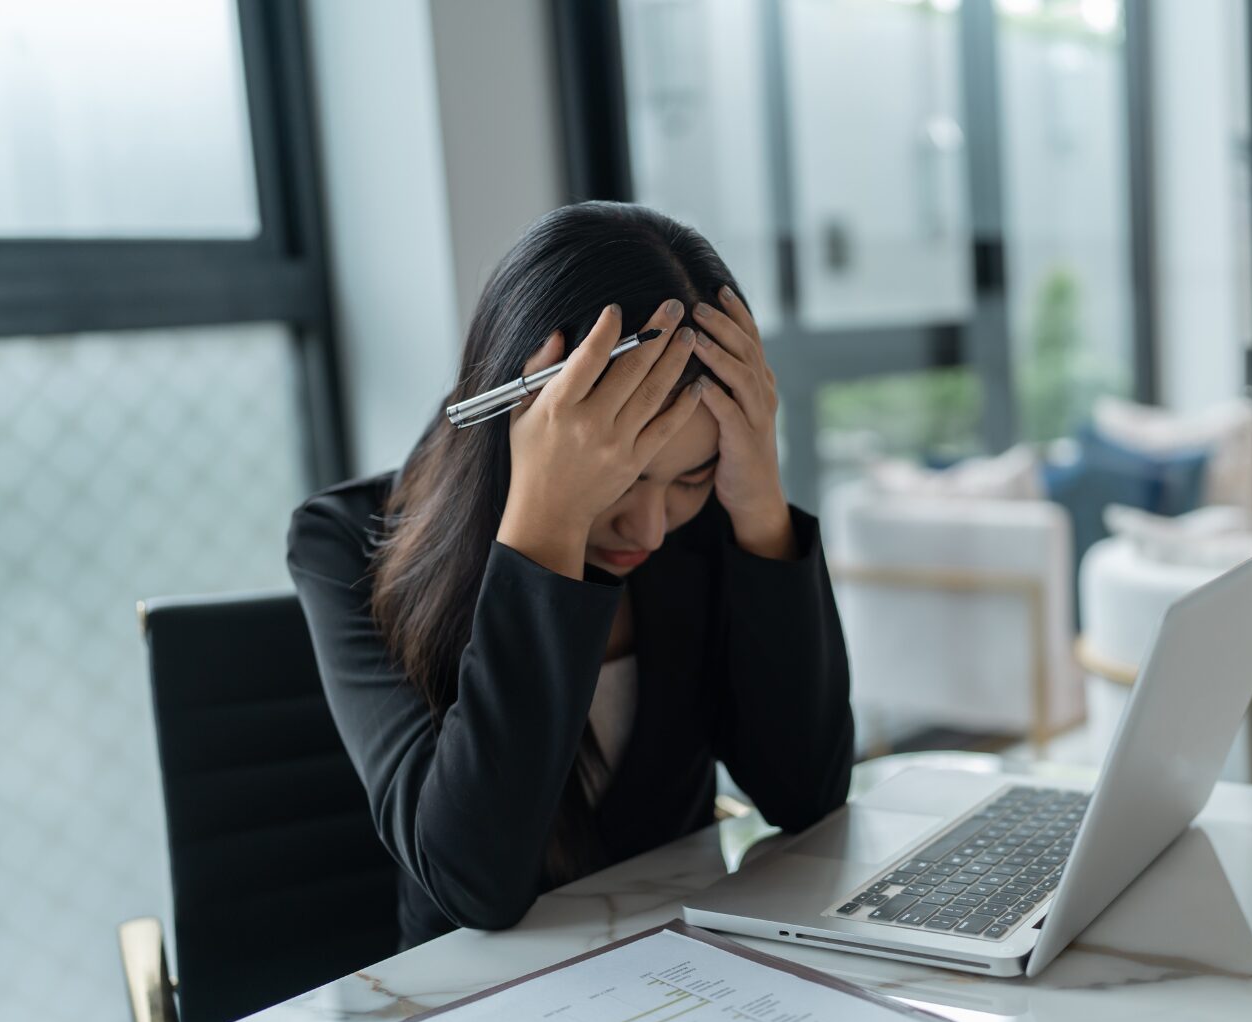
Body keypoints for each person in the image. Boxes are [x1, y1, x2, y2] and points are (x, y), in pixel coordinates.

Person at [286, 202, 854, 948]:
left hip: (690, 968)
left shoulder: (713, 521)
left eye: (691, 478)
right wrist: (544, 523)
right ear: (524, 425)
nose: (650, 528)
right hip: (470, 1006)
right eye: (624, 478)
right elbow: (473, 884)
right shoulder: (344, 544)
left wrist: (757, 504)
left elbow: (805, 795)